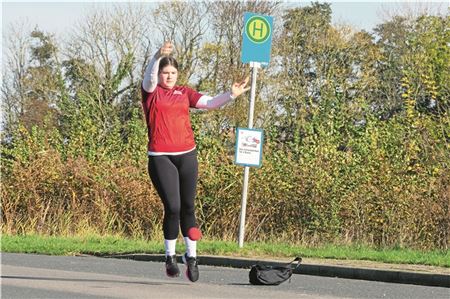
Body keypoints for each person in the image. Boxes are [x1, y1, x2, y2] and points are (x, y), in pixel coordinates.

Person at [141, 41, 249, 282]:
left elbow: (210, 103)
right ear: (158, 74)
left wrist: (231, 94)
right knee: (174, 207)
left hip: (187, 154)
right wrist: (157, 56)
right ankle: (169, 257)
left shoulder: (184, 92)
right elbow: (148, 77)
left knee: (189, 207)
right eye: (164, 73)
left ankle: (191, 258)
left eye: (172, 73)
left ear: (178, 75)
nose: (168, 77)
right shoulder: (151, 92)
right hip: (161, 157)